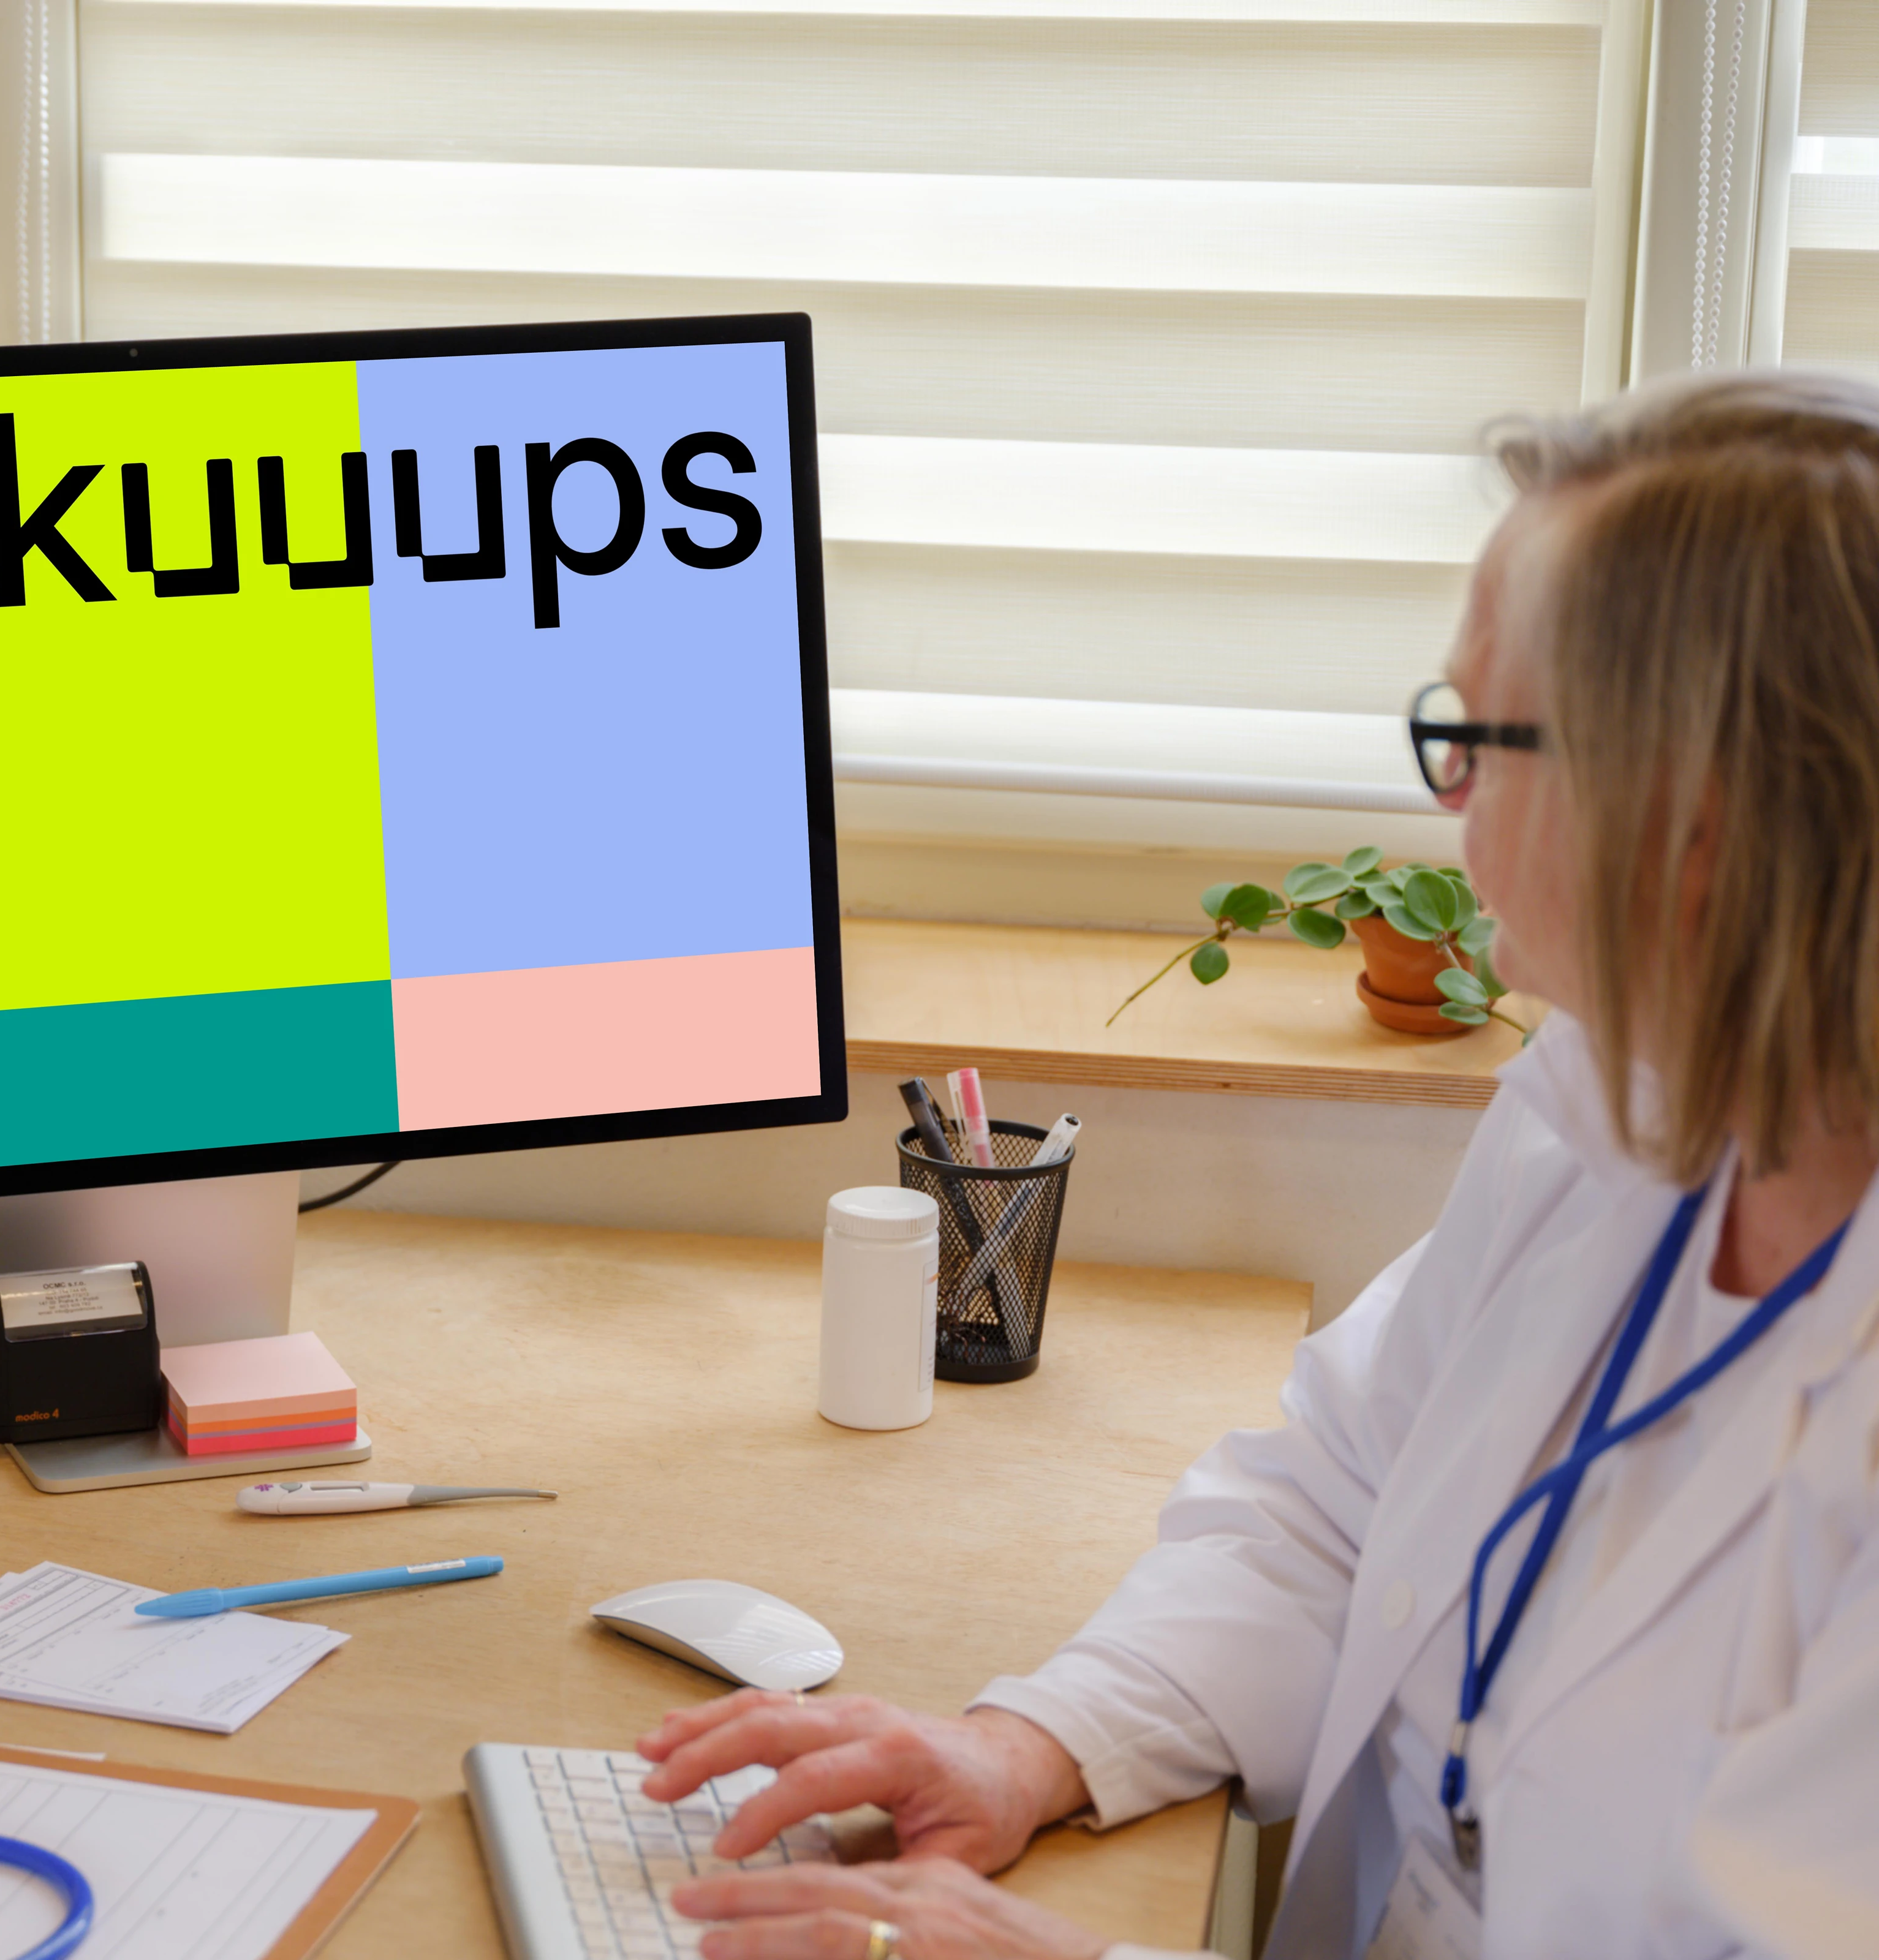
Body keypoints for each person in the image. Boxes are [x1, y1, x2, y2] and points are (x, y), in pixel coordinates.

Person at [637, 370, 1879, 1960]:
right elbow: (1334, 1507)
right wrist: (1036, 1747)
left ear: (1690, 816)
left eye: (1478, 741)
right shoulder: (1624, 1111)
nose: (1447, 810)